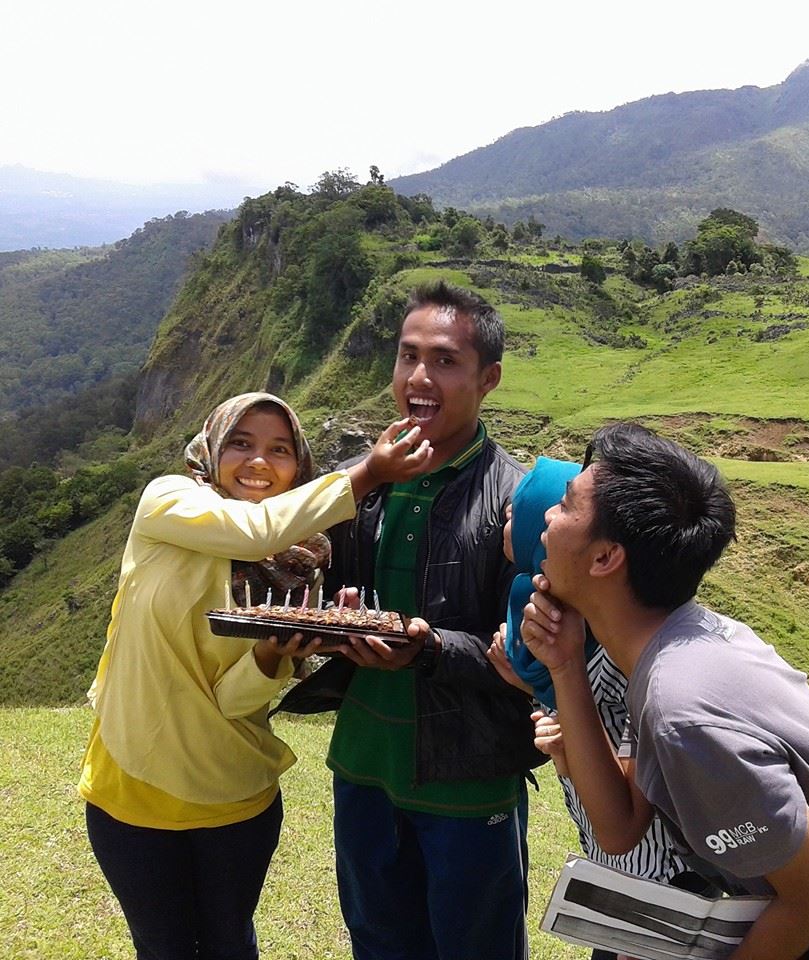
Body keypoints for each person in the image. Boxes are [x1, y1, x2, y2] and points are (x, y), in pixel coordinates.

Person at [520, 422, 809, 960]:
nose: (547, 516)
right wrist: (565, 667)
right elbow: (621, 826)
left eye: (565, 505)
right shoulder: (676, 647)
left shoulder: (683, 706)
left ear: (606, 557)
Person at [78, 391, 433, 960]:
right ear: (212, 449)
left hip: (235, 790)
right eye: (241, 444)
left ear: (300, 466)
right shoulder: (166, 502)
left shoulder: (296, 566)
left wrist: (273, 657)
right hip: (132, 782)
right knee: (162, 947)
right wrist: (368, 472)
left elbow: (231, 702)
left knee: (229, 945)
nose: (260, 462)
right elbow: (252, 532)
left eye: (280, 449)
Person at [273, 281, 544, 960]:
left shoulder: (517, 503)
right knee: (378, 941)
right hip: (363, 765)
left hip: (468, 779)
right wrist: (309, 622)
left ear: (489, 379)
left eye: (446, 361)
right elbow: (322, 588)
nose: (420, 377)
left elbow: (532, 659)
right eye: (408, 356)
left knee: (476, 949)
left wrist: (426, 649)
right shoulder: (361, 485)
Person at [486, 455, 687, 960]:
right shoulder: (573, 635)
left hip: (656, 876)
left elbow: (629, 794)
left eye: (561, 508)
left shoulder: (628, 652)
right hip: (614, 860)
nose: (548, 520)